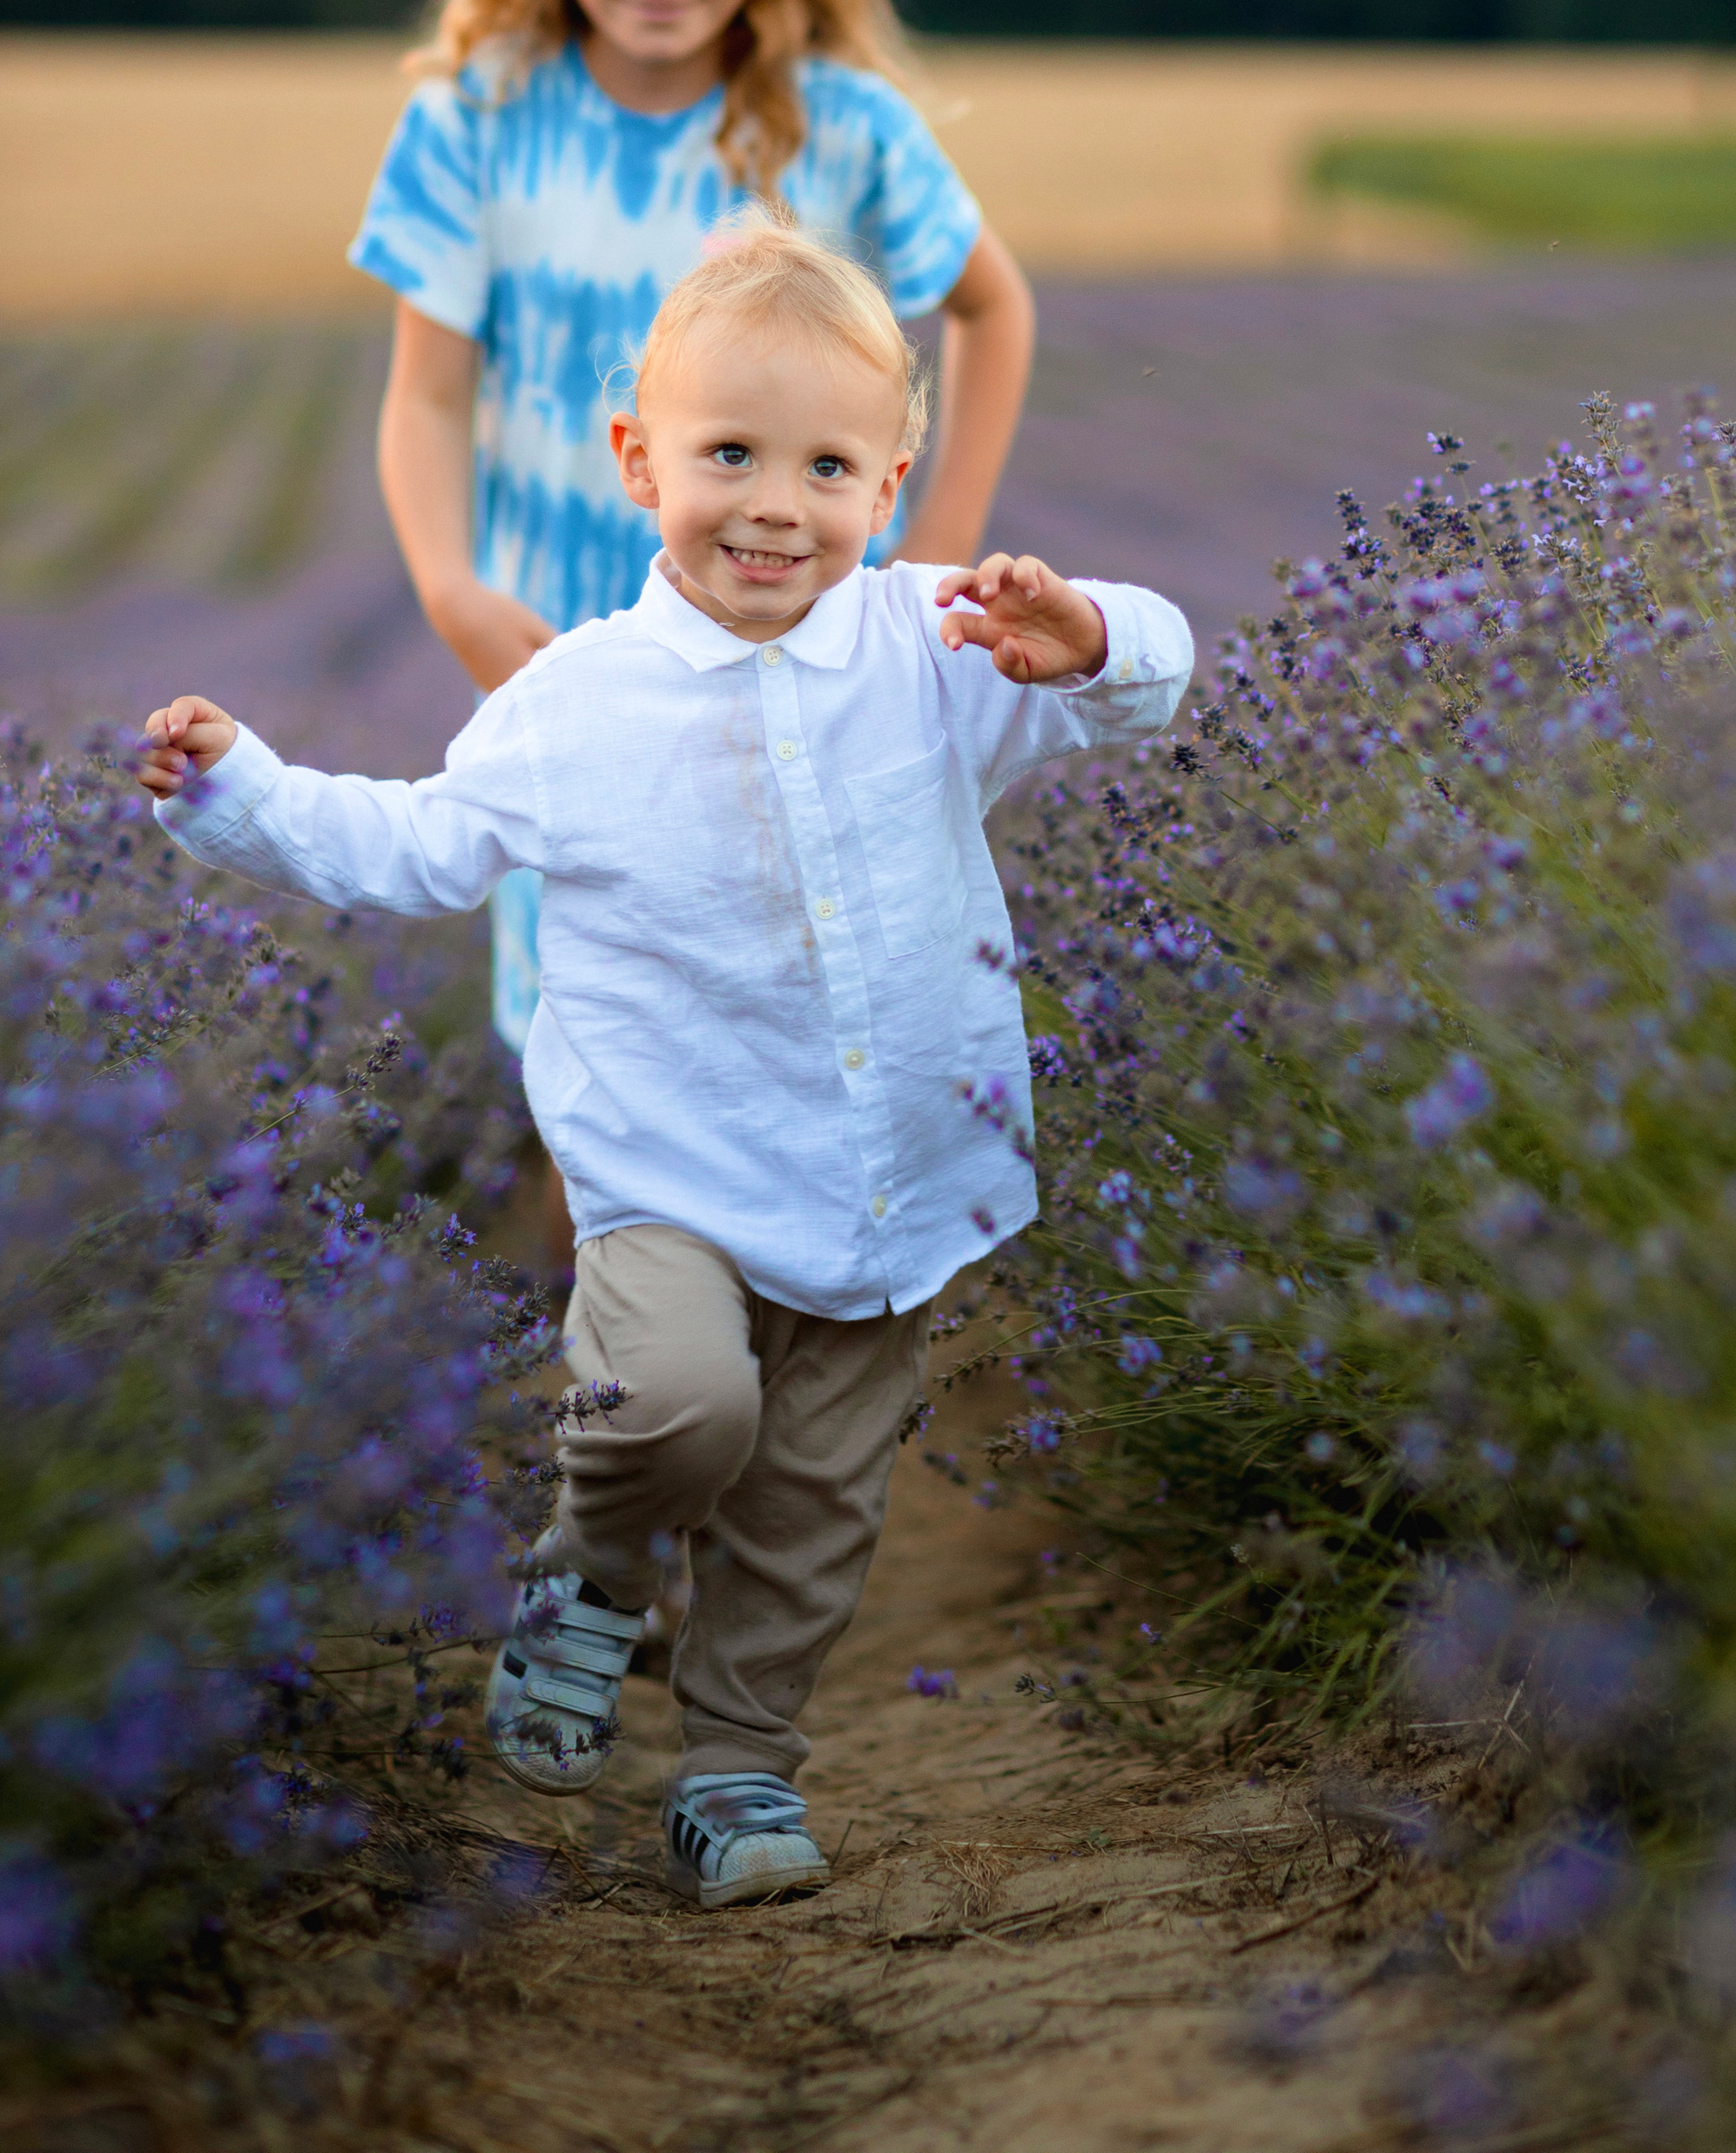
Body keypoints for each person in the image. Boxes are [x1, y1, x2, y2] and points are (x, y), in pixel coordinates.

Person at [138, 225, 1193, 1912]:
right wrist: (236, 788)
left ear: (892, 480)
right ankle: (592, 1572)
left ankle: (734, 1777)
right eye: (728, 456)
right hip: (671, 1187)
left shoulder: (936, 644)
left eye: (827, 466)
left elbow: (1148, 675)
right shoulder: (580, 703)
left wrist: (1090, 642)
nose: (776, 505)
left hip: (885, 1187)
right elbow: (415, 845)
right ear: (638, 464)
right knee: (677, 1408)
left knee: (808, 1517)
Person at [350, 0, 1034, 1159]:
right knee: (583, 1025)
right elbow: (424, 389)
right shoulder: (475, 117)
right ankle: (612, 1355)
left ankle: (831, 1343)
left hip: (811, 658)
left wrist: (946, 554)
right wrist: (451, 589)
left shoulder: (837, 126)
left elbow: (993, 308)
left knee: (812, 1000)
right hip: (567, 655)